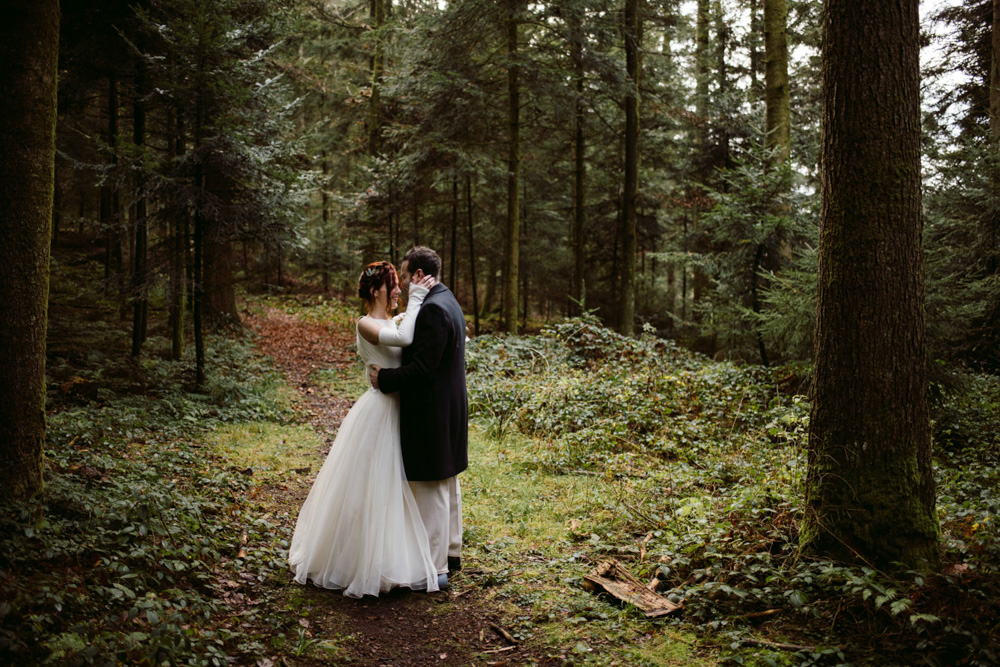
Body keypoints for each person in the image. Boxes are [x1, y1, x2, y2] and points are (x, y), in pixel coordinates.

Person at [288, 260, 445, 597]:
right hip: (380, 412)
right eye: (394, 286)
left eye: (402, 287)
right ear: (376, 290)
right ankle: (358, 561)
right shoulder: (366, 324)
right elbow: (403, 339)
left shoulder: (393, 319)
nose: (400, 291)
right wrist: (417, 299)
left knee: (397, 489)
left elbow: (412, 335)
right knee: (371, 488)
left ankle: (394, 558)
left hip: (402, 409)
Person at [369, 246, 468, 587]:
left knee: (430, 489)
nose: (403, 281)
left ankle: (435, 568)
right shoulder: (447, 300)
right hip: (447, 406)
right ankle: (450, 553)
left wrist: (384, 378)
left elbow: (423, 369)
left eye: (406, 273)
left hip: (432, 409)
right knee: (445, 484)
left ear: (418, 276)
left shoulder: (432, 311)